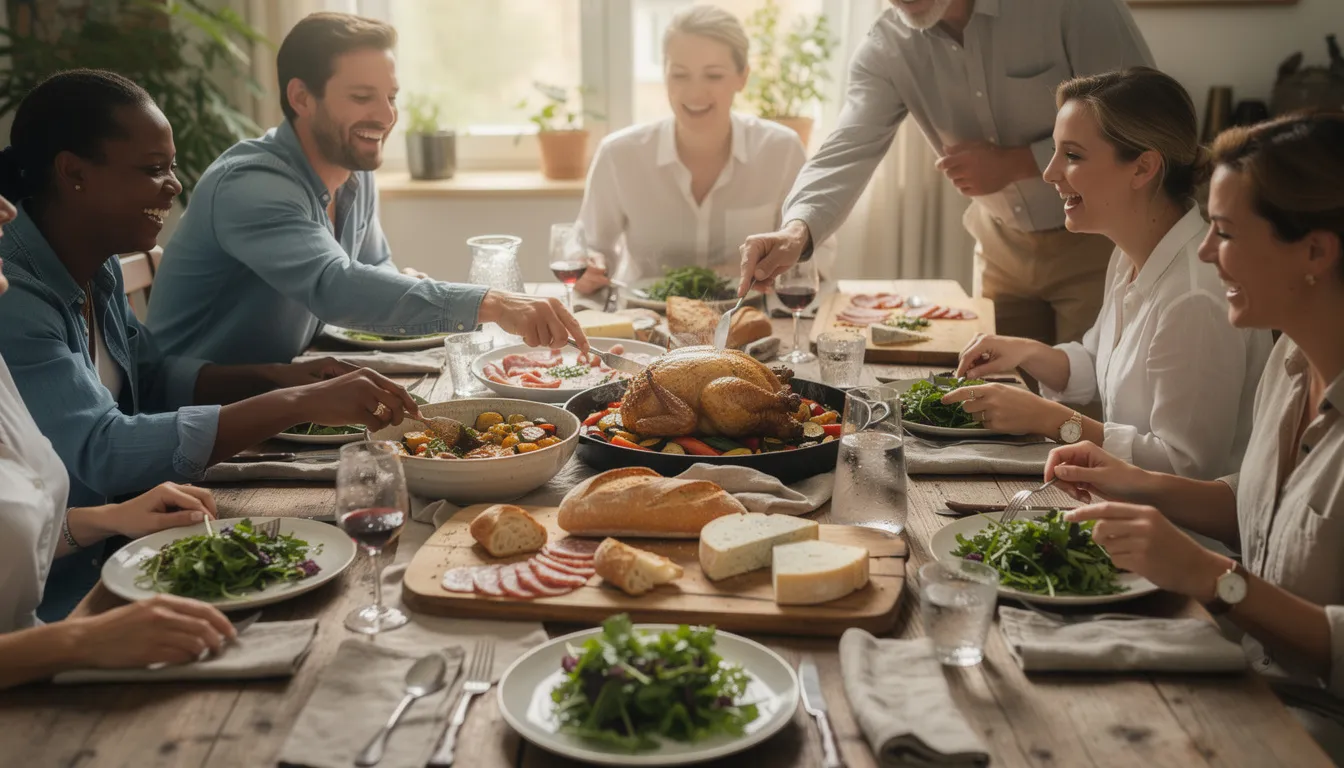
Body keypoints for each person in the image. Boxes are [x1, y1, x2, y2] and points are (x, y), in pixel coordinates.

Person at [0, 69, 421, 619]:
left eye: (170, 166)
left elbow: (150, 375)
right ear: (74, 173)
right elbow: (102, 451)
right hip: (68, 590)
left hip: (135, 540)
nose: (174, 185)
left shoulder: (91, 263)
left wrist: (280, 377)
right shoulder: (15, 297)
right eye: (153, 170)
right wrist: (295, 404)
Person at [1041, 112, 1344, 759]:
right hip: (1241, 666)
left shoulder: (1205, 304)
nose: (1204, 252)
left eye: (1225, 233)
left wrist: (1211, 577)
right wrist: (1131, 481)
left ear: (1316, 251)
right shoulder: (1292, 364)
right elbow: (1267, 508)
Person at [148, 11, 587, 364]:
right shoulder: (251, 184)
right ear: (301, 98)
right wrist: (493, 303)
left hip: (276, 395)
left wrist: (398, 286)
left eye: (391, 97)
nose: (386, 116)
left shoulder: (353, 174)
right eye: (362, 98)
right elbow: (336, 287)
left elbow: (374, 273)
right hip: (194, 418)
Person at [737, 0, 1154, 345]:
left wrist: (1014, 162)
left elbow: (1142, 116)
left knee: (1086, 416)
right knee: (1005, 414)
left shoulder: (1071, 7)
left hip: (1100, 246)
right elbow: (848, 147)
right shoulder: (886, 46)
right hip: (1000, 248)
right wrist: (794, 233)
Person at [943, 68, 1272, 480]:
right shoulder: (1127, 255)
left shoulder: (1196, 298)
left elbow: (1186, 469)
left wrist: (1052, 420)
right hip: (1122, 509)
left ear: (1142, 168)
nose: (1049, 173)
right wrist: (1025, 351)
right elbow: (1098, 362)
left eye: (1073, 155)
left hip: (1178, 536)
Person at [0, 192, 236, 689]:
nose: (6, 209)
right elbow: (101, 446)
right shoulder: (22, 309)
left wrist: (109, 519)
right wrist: (81, 641)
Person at [574, 4, 833, 293]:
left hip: (750, 318)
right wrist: (589, 266)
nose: (695, 92)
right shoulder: (618, 155)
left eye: (713, 76)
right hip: (641, 319)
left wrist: (752, 271)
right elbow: (589, 248)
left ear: (742, 77)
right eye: (680, 75)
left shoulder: (781, 151)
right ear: (664, 74)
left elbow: (818, 253)